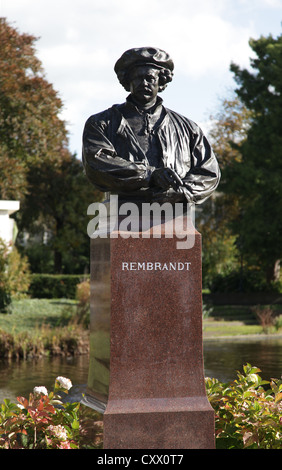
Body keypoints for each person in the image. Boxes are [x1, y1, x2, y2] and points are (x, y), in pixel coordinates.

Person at [82, 47, 220, 204]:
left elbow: (209, 171)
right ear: (127, 82)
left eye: (150, 78)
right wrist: (149, 175)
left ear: (161, 82)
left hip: (174, 217)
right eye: (138, 78)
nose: (144, 83)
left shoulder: (189, 129)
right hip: (124, 212)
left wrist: (183, 193)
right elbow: (97, 163)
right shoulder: (102, 123)